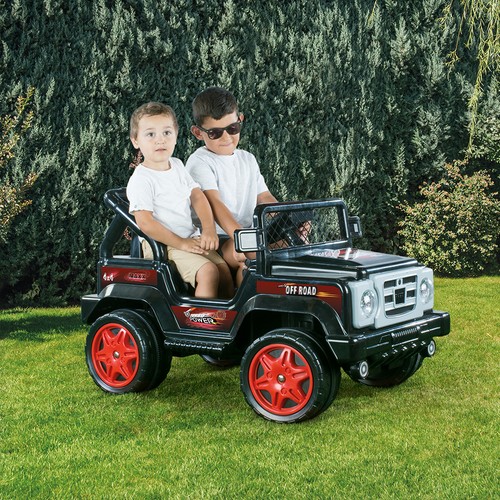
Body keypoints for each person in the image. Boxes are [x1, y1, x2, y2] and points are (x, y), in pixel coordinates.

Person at [126, 101, 233, 299]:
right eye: (150, 134)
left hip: (188, 238)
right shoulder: (141, 179)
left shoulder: (177, 166)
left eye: (167, 132)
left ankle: (227, 318)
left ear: (176, 135)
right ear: (135, 141)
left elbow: (197, 196)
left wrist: (208, 229)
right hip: (163, 244)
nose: (160, 140)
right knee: (209, 272)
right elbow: (145, 223)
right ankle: (200, 317)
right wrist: (181, 243)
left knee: (224, 272)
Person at [186, 87, 277, 285]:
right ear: (198, 133)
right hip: (216, 239)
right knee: (247, 257)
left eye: (232, 128)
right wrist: (244, 240)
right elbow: (215, 205)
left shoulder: (248, 159)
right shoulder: (199, 162)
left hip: (249, 235)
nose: (226, 138)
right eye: (215, 133)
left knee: (287, 247)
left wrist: (286, 220)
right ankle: (246, 301)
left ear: (240, 120)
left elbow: (265, 198)